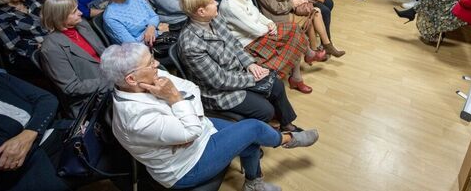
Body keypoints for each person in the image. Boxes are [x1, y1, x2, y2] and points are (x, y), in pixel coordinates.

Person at [100, 43, 318, 191]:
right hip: (185, 167)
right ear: (131, 79)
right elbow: (190, 126)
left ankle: (254, 183)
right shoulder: (136, 119)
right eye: (150, 63)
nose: (157, 64)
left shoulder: (149, 78)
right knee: (253, 128)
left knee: (249, 138)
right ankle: (287, 139)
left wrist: (184, 112)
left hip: (196, 136)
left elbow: (191, 88)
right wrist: (176, 99)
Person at [178, 0, 312, 132]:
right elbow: (220, 81)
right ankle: (255, 137)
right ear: (201, 12)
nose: (216, 3)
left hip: (236, 74)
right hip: (217, 92)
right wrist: (253, 78)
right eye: (211, 2)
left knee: (277, 84)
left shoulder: (213, 19)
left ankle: (286, 124)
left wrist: (250, 64)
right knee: (265, 110)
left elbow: (234, 44)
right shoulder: (191, 45)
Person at [0, 56, 71, 191]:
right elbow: (7, 158)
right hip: (29, 172)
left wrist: (29, 133)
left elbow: (47, 99)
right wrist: (39, 125)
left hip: (56, 136)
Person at [219, 0, 319, 93]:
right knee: (294, 35)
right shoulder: (230, 6)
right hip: (250, 41)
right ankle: (302, 67)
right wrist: (271, 28)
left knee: (294, 30)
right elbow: (254, 29)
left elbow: (257, 14)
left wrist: (270, 23)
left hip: (261, 31)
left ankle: (299, 71)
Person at [40, 0, 111, 117]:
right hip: (91, 97)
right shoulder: (51, 48)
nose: (80, 13)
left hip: (108, 76)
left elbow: (102, 51)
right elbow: (71, 87)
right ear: (59, 17)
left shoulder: (82, 25)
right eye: (74, 12)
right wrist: (107, 82)